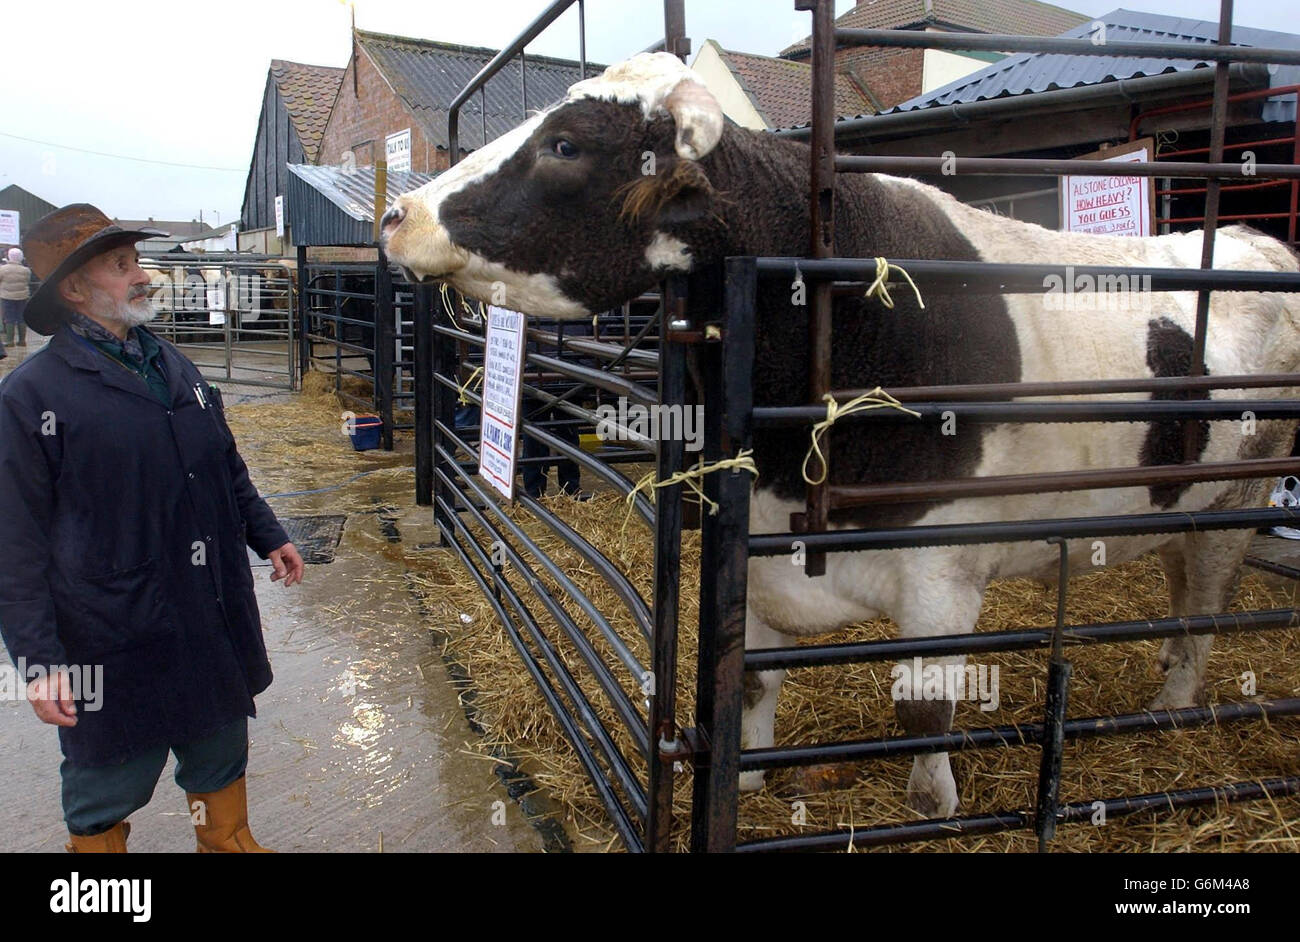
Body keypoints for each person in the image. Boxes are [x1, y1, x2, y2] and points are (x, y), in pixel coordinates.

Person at [0, 204, 304, 853]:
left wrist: (267, 532)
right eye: (121, 264)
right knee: (106, 784)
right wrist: (38, 662)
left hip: (206, 611)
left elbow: (225, 463)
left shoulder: (173, 364)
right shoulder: (32, 397)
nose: (140, 274)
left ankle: (227, 840)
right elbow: (15, 543)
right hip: (112, 631)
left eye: (136, 260)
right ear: (74, 289)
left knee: (219, 751)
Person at [0, 246, 32, 352]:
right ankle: (22, 340)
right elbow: (27, 281)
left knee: (9, 317)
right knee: (21, 317)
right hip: (22, 296)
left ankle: (10, 341)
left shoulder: (3, 269)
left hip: (7, 297)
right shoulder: (26, 270)